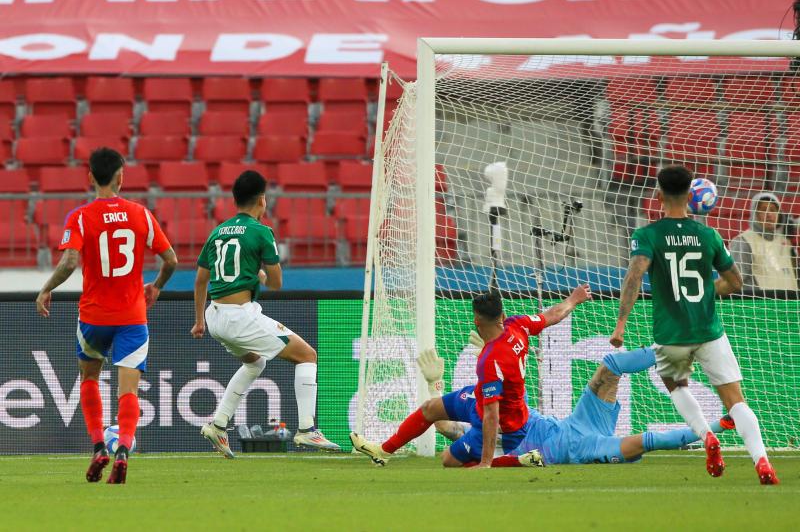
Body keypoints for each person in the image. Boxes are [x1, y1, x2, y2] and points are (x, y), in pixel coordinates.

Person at [610, 165, 779, 485]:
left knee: (676, 386)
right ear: (691, 196)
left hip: (671, 332)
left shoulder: (647, 235)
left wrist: (620, 326)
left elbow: (634, 276)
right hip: (708, 329)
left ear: (657, 196)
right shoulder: (708, 235)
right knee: (735, 400)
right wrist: (707, 291)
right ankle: (763, 463)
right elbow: (735, 281)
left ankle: (707, 438)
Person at [35, 147, 178, 484]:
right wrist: (156, 286)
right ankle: (124, 450)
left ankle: (99, 445)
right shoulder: (141, 214)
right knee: (128, 391)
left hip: (94, 317)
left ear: (90, 177)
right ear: (121, 177)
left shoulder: (81, 216)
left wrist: (46, 288)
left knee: (89, 379)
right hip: (132, 316)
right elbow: (171, 259)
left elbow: (70, 261)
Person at [350, 285, 592, 468]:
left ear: (476, 321)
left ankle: (517, 461)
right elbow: (552, 315)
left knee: (448, 460)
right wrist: (574, 299)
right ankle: (383, 452)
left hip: (504, 427)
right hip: (482, 403)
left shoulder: (490, 361)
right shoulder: (518, 324)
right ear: (502, 314)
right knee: (430, 408)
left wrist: (485, 463)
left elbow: (491, 416)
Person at [192, 170, 339, 458]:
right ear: (262, 200)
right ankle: (308, 431)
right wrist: (259, 275)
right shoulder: (261, 232)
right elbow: (276, 282)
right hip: (240, 316)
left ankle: (219, 424)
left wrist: (199, 321)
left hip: (215, 316)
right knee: (307, 355)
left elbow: (200, 280)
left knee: (254, 364)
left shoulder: (217, 231)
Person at [485, 347, 731, 467]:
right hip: (583, 448)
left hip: (580, 420)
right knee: (647, 441)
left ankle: (670, 351)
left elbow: (513, 385)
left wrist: (486, 352)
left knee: (611, 365)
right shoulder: (498, 449)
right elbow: (528, 460)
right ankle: (717, 426)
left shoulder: (514, 414)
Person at [729, 192, 799, 291]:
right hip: (760, 304)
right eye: (763, 210)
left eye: (773, 210)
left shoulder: (786, 242)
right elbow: (735, 281)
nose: (769, 214)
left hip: (790, 304)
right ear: (754, 214)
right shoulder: (743, 241)